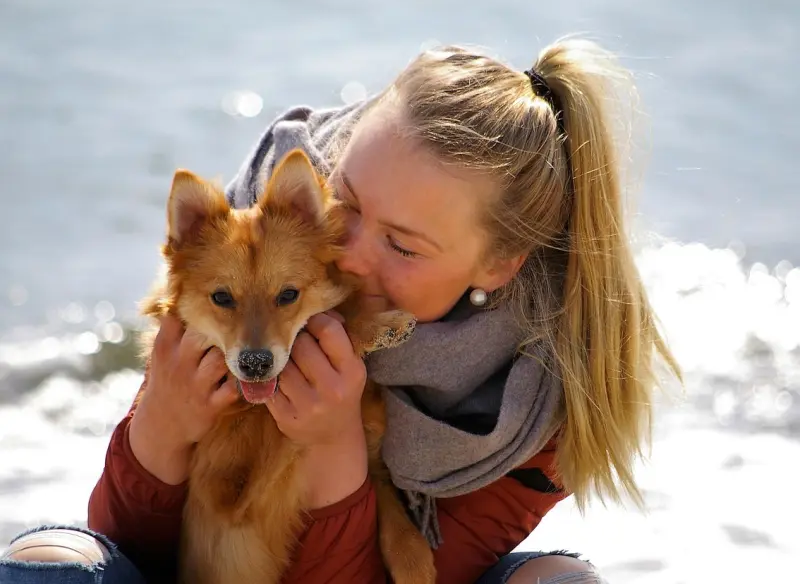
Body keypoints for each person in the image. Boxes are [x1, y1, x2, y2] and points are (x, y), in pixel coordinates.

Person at [1, 37, 680, 584]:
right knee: (52, 562)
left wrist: (333, 445)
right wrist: (162, 426)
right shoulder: (248, 258)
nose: (344, 255)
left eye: (403, 246)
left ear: (498, 265)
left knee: (556, 579)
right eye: (345, 203)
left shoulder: (531, 407)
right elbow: (126, 544)